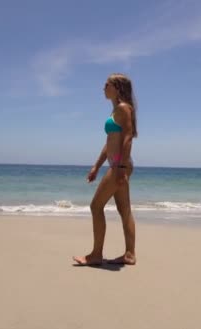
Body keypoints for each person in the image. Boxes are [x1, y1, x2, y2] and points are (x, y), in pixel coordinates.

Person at [73, 73, 138, 266]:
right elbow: (109, 142)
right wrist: (96, 166)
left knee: (96, 206)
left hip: (120, 165)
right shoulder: (116, 111)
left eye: (107, 84)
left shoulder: (124, 109)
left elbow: (127, 139)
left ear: (117, 88)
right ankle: (129, 254)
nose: (103, 88)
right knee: (124, 210)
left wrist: (120, 168)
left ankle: (96, 255)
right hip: (118, 164)